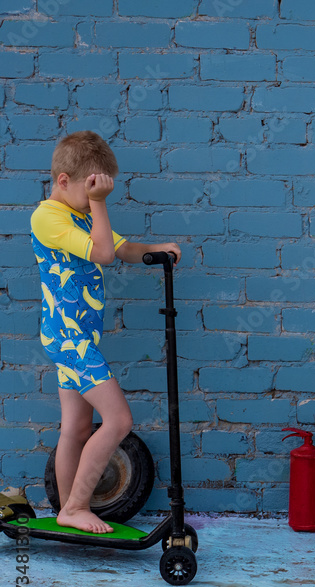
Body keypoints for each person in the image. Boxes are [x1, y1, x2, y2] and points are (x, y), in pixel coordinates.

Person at [31, 131, 181, 534]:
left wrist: (157, 248)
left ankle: (66, 509)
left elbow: (117, 248)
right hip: (69, 338)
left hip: (79, 338)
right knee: (118, 419)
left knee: (77, 428)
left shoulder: (81, 213)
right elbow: (100, 253)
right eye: (90, 187)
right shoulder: (47, 216)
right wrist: (99, 203)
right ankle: (76, 506)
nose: (96, 195)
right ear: (64, 181)